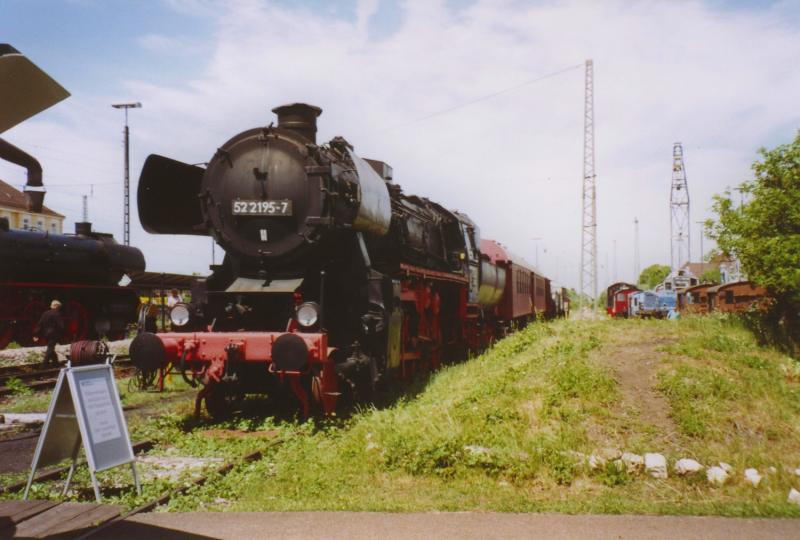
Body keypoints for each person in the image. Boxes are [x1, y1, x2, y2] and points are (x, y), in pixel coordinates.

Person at [34, 300, 64, 367]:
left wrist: (36, 334)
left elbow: (40, 324)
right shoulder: (57, 314)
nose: (59, 308)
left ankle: (56, 364)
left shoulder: (45, 313)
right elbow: (61, 326)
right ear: (56, 306)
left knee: (51, 348)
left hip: (46, 334)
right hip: (54, 334)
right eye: (59, 307)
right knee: (50, 349)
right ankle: (43, 366)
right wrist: (61, 333)